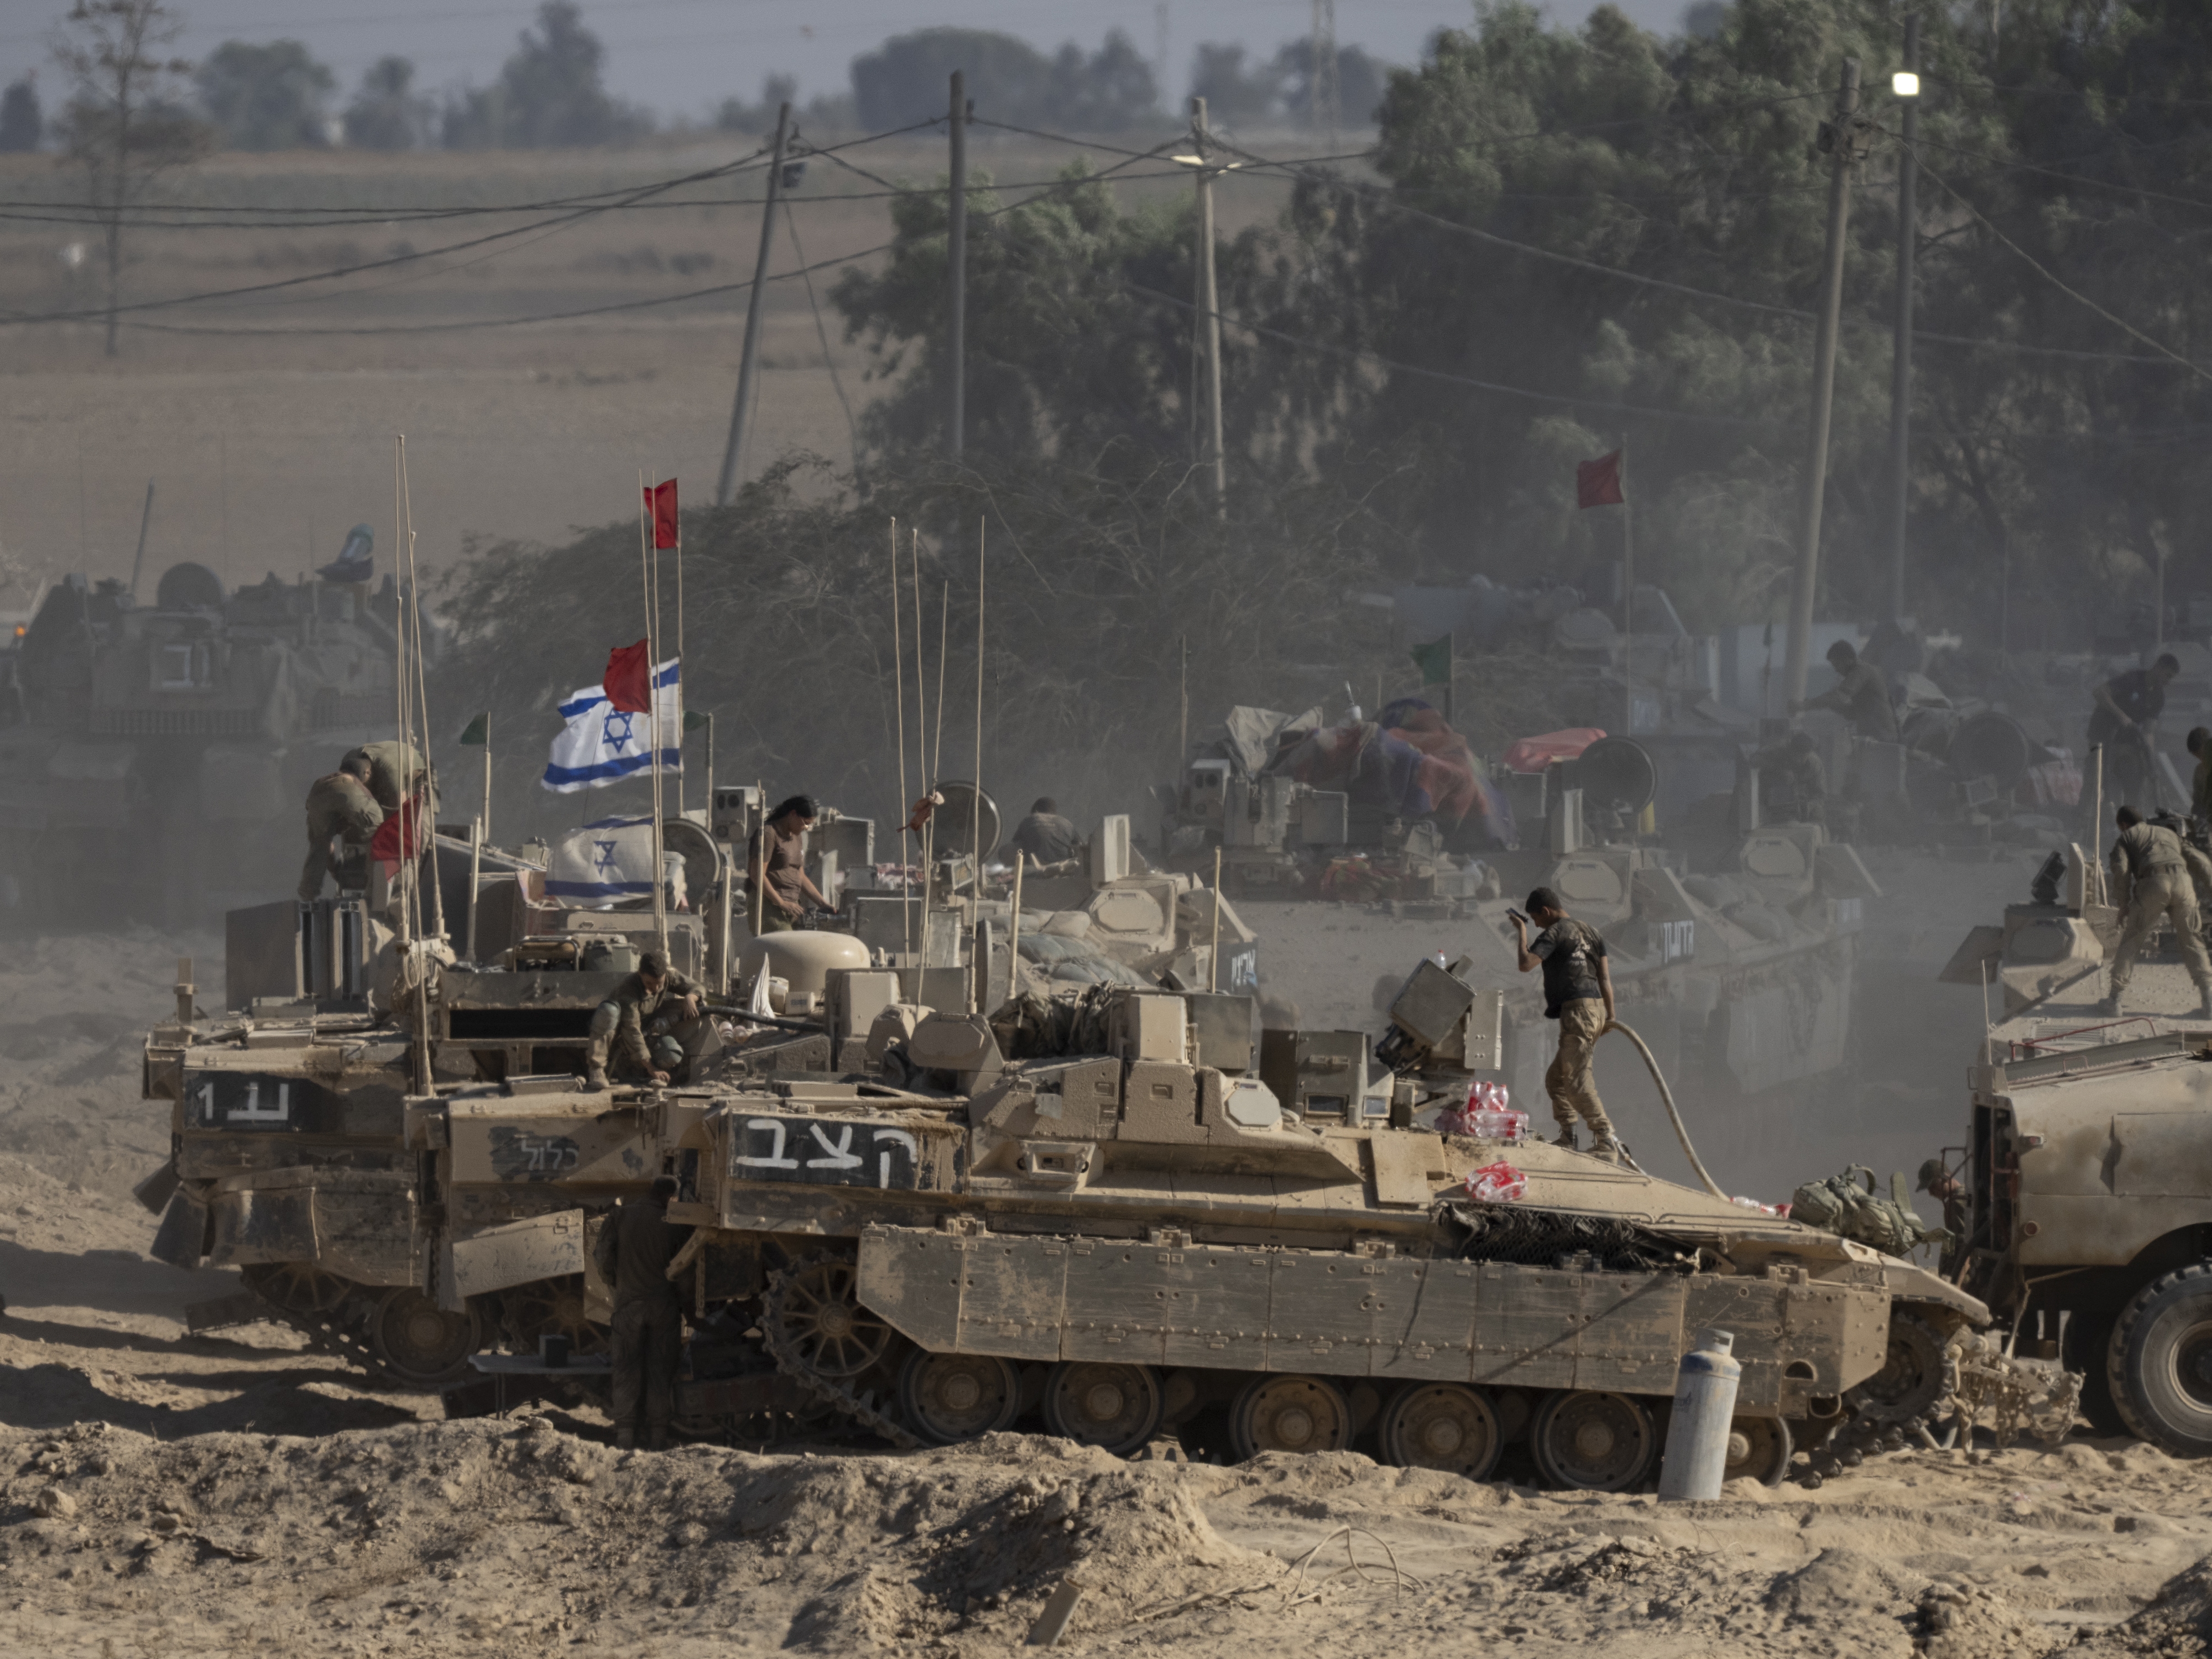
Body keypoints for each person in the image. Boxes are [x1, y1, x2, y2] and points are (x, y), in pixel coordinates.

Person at [1512, 886, 1620, 1161]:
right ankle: (1568, 1137)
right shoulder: (1593, 932)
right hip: (1594, 1008)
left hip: (1578, 1011)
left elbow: (1526, 964)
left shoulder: (1556, 932)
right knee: (1556, 1080)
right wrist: (1611, 1015)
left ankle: (1606, 1139)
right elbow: (1605, 978)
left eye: (1536, 919)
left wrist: (1521, 930)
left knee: (1576, 1079)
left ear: (1546, 911)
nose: (1536, 924)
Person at [594, 1175, 689, 1452]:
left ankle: (625, 1435)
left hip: (628, 1306)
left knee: (626, 1369)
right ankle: (658, 1436)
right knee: (660, 1370)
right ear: (670, 1197)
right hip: (663, 1308)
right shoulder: (673, 1224)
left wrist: (615, 1282)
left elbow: (602, 1257)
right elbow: (684, 1270)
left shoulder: (621, 1216)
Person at [2106, 805, 2212, 1017]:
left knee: (2133, 939)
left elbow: (2122, 870)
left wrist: (2124, 904)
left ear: (2123, 825)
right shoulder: (2170, 834)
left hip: (2154, 882)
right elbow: (2200, 860)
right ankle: (2209, 1001)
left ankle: (2114, 999)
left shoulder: (2126, 837)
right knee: (2193, 939)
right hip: (2183, 883)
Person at [585, 950, 703, 1091]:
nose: (656, 988)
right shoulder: (628, 990)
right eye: (649, 983)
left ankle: (650, 1075)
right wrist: (652, 1068)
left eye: (660, 983)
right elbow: (632, 1030)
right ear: (640, 974)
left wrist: (691, 997)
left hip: (648, 1030)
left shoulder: (668, 976)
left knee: (672, 1053)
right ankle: (597, 1069)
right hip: (621, 1037)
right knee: (608, 1011)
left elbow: (696, 987)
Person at [2089, 653, 2180, 816]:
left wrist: (2149, 759)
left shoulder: (2158, 697)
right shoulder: (2132, 680)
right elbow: (2099, 692)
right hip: (2102, 735)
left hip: (2124, 741)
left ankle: (2132, 819)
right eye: (2167, 675)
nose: (2168, 681)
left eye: (2171, 678)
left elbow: (2149, 732)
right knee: (2096, 778)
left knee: (2135, 777)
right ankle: (2086, 821)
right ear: (2158, 667)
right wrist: (2121, 715)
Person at [298, 754, 383, 901]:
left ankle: (307, 895)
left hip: (317, 795)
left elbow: (326, 843)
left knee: (320, 844)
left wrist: (334, 871)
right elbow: (370, 810)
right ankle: (373, 885)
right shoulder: (354, 781)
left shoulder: (325, 779)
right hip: (345, 788)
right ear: (365, 773)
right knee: (377, 824)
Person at [746, 795, 832, 933]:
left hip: (792, 908)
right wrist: (781, 903)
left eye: (809, 824)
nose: (806, 827)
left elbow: (800, 875)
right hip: (769, 907)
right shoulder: (769, 834)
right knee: (785, 950)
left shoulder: (797, 837)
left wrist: (823, 903)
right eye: (805, 822)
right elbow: (757, 874)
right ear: (793, 814)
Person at [1790, 639, 1899, 743]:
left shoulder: (1861, 672)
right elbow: (1855, 713)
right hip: (1875, 734)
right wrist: (1831, 705)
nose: (1836, 670)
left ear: (1848, 660)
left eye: (1837, 665)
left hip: (1881, 736)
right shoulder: (1862, 673)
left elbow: (1839, 696)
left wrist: (1805, 706)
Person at [342, 738, 437, 820]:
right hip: (386, 770)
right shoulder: (347, 762)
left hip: (421, 771)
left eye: (363, 785)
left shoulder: (390, 771)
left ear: (368, 773)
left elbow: (400, 809)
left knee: (416, 818)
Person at [1751, 731, 1828, 827]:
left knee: (1818, 813)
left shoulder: (1815, 765)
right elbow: (1754, 760)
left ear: (1808, 754)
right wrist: (1780, 771)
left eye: (1802, 757)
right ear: (1790, 749)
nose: (1798, 760)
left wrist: (1808, 806)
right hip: (1772, 795)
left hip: (1800, 802)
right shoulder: (1778, 749)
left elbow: (1821, 794)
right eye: (1796, 755)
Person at [1009, 796, 1082, 868]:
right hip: (1063, 869)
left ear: (1036, 810)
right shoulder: (1066, 823)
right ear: (1054, 810)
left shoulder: (1028, 821)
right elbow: (1081, 846)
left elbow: (1015, 845)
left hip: (1032, 871)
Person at [2188, 726, 2212, 831]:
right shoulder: (2199, 771)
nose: (2201, 759)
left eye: (2201, 754)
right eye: (2197, 756)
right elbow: (2198, 802)